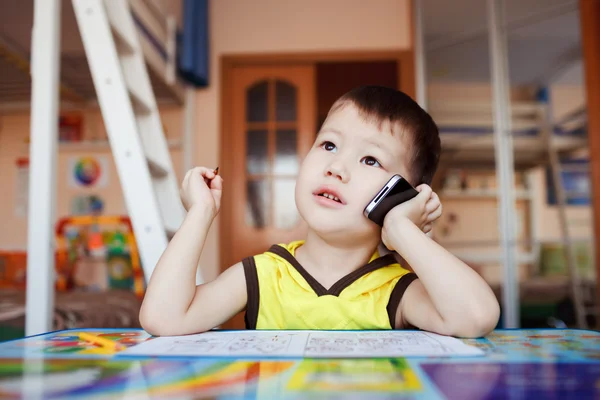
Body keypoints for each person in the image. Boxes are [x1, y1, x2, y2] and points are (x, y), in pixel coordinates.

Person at [140, 86, 500, 338]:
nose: (336, 167)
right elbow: (162, 318)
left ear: (399, 196)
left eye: (370, 159)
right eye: (329, 144)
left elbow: (475, 317)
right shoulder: (265, 275)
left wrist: (402, 231)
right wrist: (200, 213)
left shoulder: (395, 292)